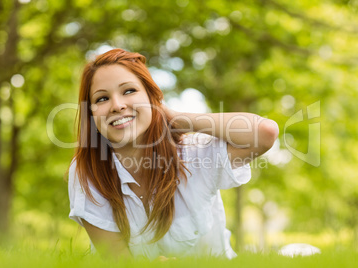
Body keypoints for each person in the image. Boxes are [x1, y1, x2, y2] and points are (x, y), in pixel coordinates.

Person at [68, 48, 279, 260]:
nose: (117, 105)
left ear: (152, 97)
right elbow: (117, 260)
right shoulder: (87, 171)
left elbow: (264, 133)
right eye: (102, 99)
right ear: (91, 114)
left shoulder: (193, 153)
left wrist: (175, 118)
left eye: (129, 91)